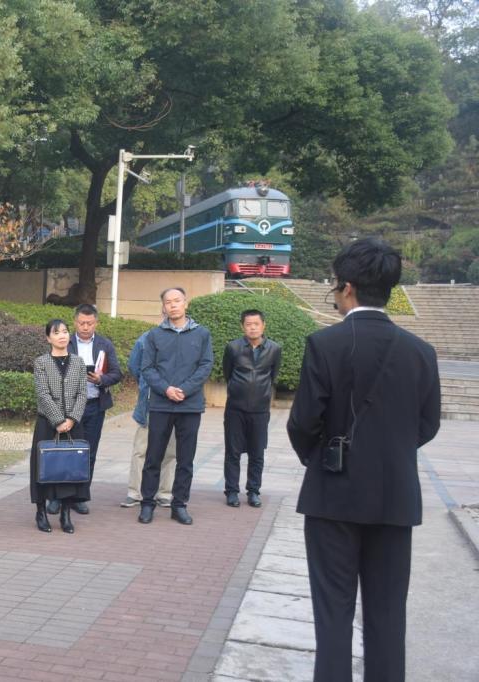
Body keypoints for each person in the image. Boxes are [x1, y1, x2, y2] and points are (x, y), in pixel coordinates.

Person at [287, 238, 440, 682]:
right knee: (388, 615)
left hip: (333, 497)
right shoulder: (420, 351)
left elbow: (303, 423)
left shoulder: (325, 343)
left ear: (348, 287)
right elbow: (428, 424)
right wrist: (389, 453)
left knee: (333, 615)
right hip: (395, 498)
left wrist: (323, 458)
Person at [138, 287, 213, 526]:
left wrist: (185, 389)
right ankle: (147, 503)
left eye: (177, 300)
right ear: (163, 307)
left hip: (190, 405)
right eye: (168, 302)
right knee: (153, 456)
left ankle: (179, 505)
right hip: (161, 404)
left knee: (185, 459)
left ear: (185, 303)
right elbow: (147, 367)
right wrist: (166, 389)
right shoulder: (154, 335)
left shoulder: (202, 334)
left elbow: (206, 365)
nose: (173, 305)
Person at [46, 304, 122, 516]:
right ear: (75, 322)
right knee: (61, 451)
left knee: (88, 452)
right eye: (81, 323)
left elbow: (117, 373)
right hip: (67, 407)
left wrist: (101, 379)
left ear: (96, 323)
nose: (85, 327)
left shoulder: (105, 344)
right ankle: (56, 497)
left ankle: (79, 496)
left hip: (94, 405)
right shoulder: (65, 342)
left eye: (89, 323)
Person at [30, 319, 89, 534]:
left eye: (65, 331)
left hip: (73, 424)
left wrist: (71, 419)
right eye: (56, 333)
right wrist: (58, 420)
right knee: (43, 468)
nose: (62, 336)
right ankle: (41, 512)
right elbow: (43, 394)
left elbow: (83, 393)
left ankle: (65, 514)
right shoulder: (41, 362)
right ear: (48, 338)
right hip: (47, 423)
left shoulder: (78, 362)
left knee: (69, 469)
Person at [222, 309, 282, 508]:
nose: (253, 328)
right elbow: (228, 373)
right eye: (248, 324)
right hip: (235, 409)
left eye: (256, 324)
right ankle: (232, 491)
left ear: (263, 325)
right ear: (243, 326)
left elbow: (273, 375)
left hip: (260, 410)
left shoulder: (274, 349)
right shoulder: (233, 347)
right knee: (233, 451)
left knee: (257, 453)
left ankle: (254, 491)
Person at [121, 328, 177, 508]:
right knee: (141, 450)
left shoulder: (185, 338)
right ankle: (135, 492)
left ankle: (164, 492)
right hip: (149, 403)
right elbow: (134, 365)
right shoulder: (146, 338)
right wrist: (146, 384)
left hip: (174, 403)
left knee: (170, 451)